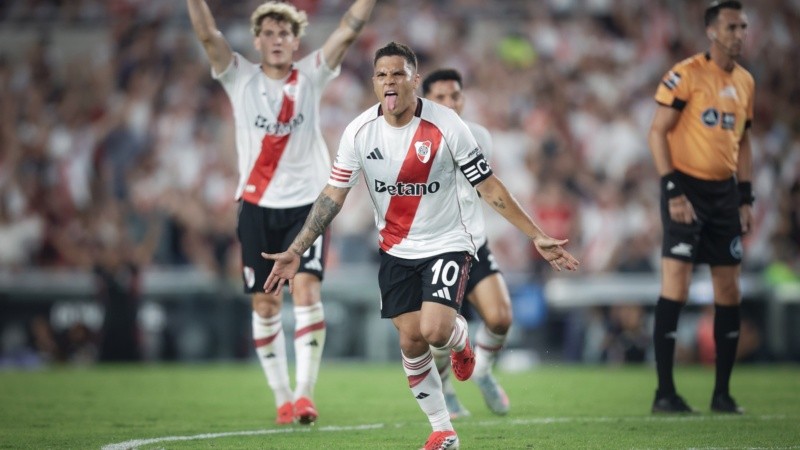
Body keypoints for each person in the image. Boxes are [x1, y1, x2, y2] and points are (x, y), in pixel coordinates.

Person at [263, 42, 579, 450]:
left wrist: (536, 234)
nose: (389, 81)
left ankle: (460, 339)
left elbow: (488, 185)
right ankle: (443, 429)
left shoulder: (447, 125)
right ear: (374, 83)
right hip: (395, 249)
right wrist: (298, 247)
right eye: (381, 75)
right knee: (411, 340)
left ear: (414, 80)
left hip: (448, 241)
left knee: (435, 330)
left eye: (398, 73)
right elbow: (332, 195)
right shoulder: (359, 132)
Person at [186, 0, 376, 425]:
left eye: (284, 34)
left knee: (307, 290)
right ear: (257, 40)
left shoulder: (311, 73)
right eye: (269, 34)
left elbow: (347, 30)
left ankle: (306, 395)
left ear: (296, 41)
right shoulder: (239, 76)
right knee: (266, 304)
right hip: (255, 206)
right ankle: (282, 397)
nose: (276, 41)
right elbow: (206, 35)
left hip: (308, 205)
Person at [648, 0, 754, 414]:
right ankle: (664, 393)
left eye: (743, 27)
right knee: (675, 284)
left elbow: (744, 141)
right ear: (712, 31)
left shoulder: (746, 81)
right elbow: (657, 133)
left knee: (729, 288)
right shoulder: (685, 74)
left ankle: (723, 394)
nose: (739, 34)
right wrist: (672, 189)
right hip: (685, 187)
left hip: (725, 193)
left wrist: (745, 196)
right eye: (732, 27)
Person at [421, 68, 512, 418]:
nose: (450, 102)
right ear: (426, 100)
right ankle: (445, 391)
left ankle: (484, 371)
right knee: (440, 331)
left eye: (455, 95)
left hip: (472, 244)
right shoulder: (413, 139)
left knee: (501, 318)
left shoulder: (478, 136)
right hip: (432, 248)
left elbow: (483, 190)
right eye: (440, 97)